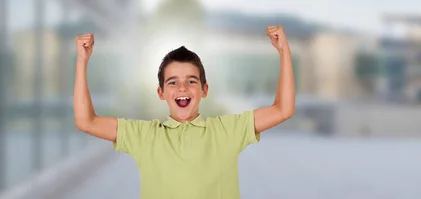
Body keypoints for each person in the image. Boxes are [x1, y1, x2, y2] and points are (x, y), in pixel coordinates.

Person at [73, 26, 295, 199]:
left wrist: (284, 51)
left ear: (204, 90)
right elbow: (87, 121)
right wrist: (82, 62)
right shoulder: (143, 135)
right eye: (172, 82)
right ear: (160, 92)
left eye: (191, 80)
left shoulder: (229, 130)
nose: (182, 88)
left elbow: (282, 109)